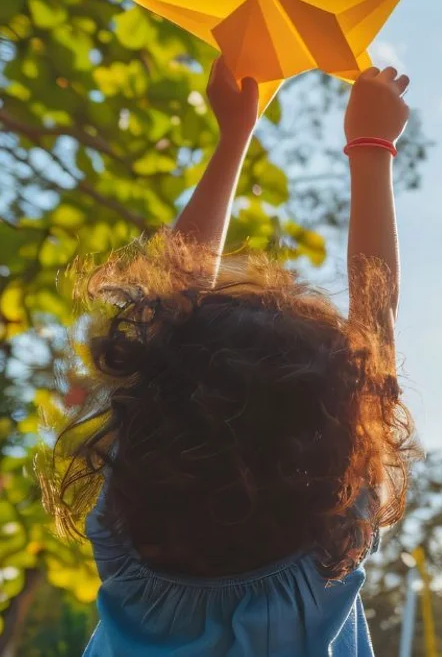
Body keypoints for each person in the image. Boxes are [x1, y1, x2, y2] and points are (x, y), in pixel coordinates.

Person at [42, 60, 417, 656]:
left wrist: (235, 134)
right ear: (342, 431)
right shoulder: (326, 554)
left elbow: (167, 306)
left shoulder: (122, 541)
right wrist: (371, 148)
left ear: (153, 409)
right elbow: (377, 324)